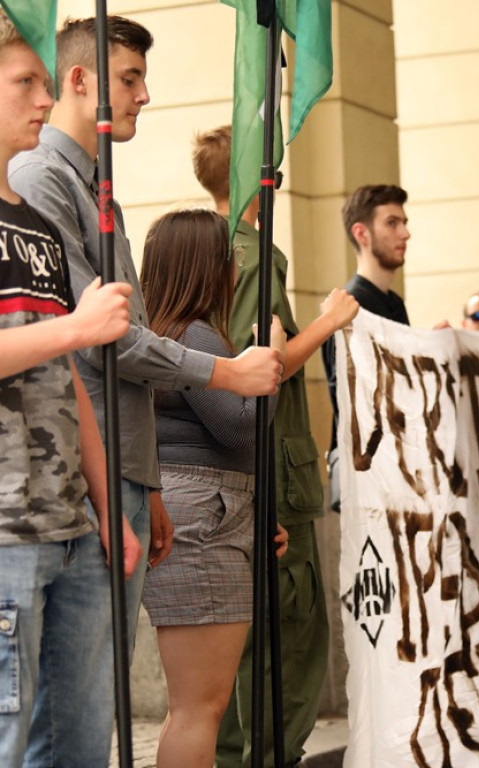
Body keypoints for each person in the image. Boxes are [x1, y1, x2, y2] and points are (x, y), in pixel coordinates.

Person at [8, 16, 283, 659]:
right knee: (61, 717)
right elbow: (97, 341)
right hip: (69, 472)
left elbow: (115, 338)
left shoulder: (91, 181)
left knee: (92, 703)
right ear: (80, 81)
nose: (144, 96)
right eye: (129, 79)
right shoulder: (42, 175)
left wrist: (148, 482)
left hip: (119, 468)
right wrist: (226, 373)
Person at [190, 126, 360, 766]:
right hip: (271, 467)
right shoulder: (250, 253)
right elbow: (261, 365)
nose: (278, 184)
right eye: (273, 173)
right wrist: (328, 321)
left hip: (255, 462)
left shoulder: (221, 247)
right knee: (288, 635)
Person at [0, 15, 142, 764]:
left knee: (83, 745)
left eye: (48, 86)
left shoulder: (37, 227)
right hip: (4, 533)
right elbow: (74, 342)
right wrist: (77, 330)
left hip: (74, 525)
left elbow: (69, 384)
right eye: (26, 83)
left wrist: (105, 501)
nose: (46, 102)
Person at [138, 209, 293, 767]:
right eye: (233, 257)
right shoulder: (194, 332)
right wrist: (269, 361)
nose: (238, 268)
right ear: (208, 265)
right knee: (200, 707)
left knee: (199, 704)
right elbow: (240, 429)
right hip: (203, 510)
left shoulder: (170, 330)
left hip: (204, 504)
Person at [321, 184, 411, 507]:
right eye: (392, 223)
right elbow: (347, 396)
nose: (405, 233)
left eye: (404, 222)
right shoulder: (349, 306)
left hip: (398, 472)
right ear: (362, 233)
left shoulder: (394, 304)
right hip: (369, 478)